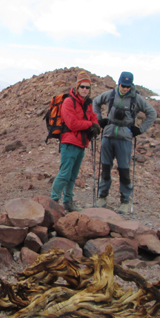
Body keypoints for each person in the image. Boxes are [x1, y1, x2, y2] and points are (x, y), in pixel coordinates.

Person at [93, 71, 157, 214]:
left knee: (124, 170)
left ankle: (125, 201)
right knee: (105, 168)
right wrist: (99, 119)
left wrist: (140, 130)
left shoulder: (136, 99)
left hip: (125, 139)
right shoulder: (110, 95)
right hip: (108, 136)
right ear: (119, 83)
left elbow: (152, 113)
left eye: (128, 86)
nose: (125, 89)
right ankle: (102, 197)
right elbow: (96, 102)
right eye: (123, 85)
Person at [50, 70, 101, 212]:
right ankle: (53, 201)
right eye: (82, 87)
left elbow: (93, 117)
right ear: (77, 87)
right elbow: (72, 124)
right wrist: (91, 125)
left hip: (81, 144)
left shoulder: (88, 103)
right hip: (70, 143)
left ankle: (68, 202)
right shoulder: (68, 101)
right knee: (65, 173)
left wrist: (95, 124)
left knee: (72, 175)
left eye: (87, 87)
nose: (85, 90)